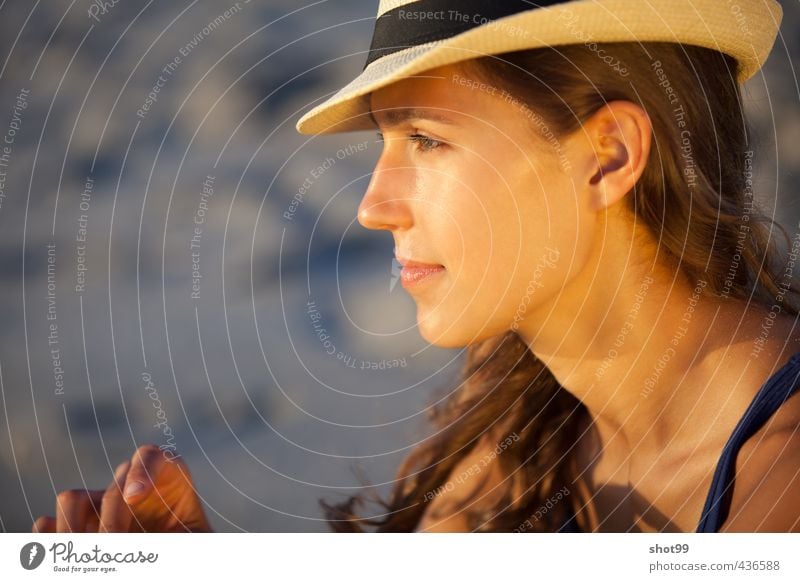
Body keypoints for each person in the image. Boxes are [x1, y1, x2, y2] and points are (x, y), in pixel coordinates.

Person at [33, 0, 799, 533]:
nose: (372, 206)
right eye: (383, 143)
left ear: (608, 156)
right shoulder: (516, 437)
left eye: (428, 140)